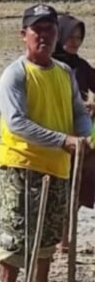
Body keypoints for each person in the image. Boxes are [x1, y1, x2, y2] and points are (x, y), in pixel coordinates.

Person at [0, 4, 91, 282]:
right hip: (22, 163)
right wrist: (63, 140)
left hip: (58, 165)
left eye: (49, 29)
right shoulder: (15, 74)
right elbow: (17, 123)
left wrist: (86, 137)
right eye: (37, 30)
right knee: (17, 233)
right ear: (24, 35)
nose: (44, 36)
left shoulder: (64, 72)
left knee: (49, 231)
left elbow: (78, 113)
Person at [52, 14, 95, 251]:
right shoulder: (45, 65)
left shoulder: (81, 66)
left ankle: (64, 239)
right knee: (57, 190)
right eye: (70, 36)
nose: (74, 42)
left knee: (77, 188)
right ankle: (55, 239)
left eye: (79, 38)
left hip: (79, 138)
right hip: (53, 136)